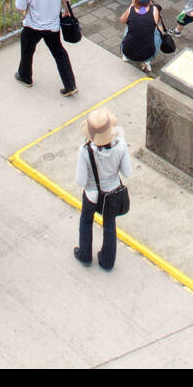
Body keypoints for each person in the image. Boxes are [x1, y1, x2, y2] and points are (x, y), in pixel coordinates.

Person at [14, 0, 78, 95]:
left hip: (33, 26)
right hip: (53, 25)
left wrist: (27, 12)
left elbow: (20, 7)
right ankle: (70, 85)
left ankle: (25, 77)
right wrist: (67, 12)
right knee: (59, 53)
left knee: (27, 50)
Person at [73, 107, 132, 272]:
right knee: (109, 225)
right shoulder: (120, 146)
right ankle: (107, 261)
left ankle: (84, 254)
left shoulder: (85, 151)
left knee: (86, 221)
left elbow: (80, 180)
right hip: (112, 194)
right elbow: (127, 172)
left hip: (92, 194)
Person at [119, 0, 164, 73]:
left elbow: (122, 20)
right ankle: (147, 62)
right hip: (146, 55)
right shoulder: (154, 10)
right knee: (159, 32)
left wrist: (132, 4)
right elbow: (155, 25)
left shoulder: (131, 10)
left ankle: (125, 57)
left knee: (129, 26)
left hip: (128, 51)